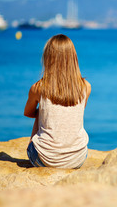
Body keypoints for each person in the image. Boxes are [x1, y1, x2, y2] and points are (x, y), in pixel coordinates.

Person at [24, 34, 91, 168]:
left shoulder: (38, 88)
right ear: (73, 58)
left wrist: (41, 110)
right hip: (77, 159)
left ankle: (46, 151)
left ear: (48, 58)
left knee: (39, 112)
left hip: (45, 160)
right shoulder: (86, 87)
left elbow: (28, 113)